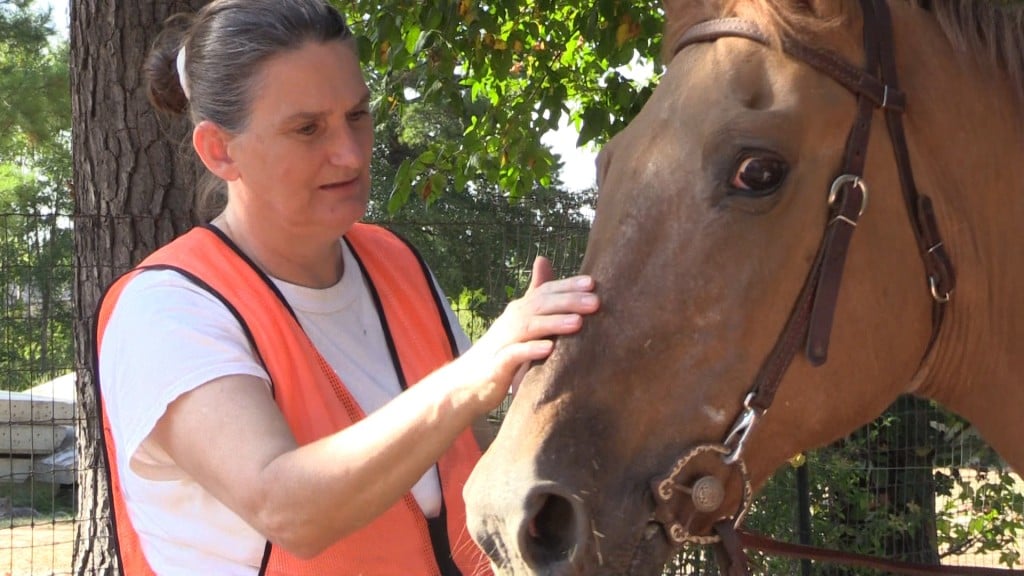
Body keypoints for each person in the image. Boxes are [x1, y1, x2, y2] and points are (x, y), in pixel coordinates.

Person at [93, 1, 600, 574]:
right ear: (219, 150)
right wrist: (479, 371)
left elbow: (457, 454)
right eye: (307, 128)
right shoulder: (167, 309)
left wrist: (535, 391)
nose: (352, 153)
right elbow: (285, 509)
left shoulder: (396, 262)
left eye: (357, 116)